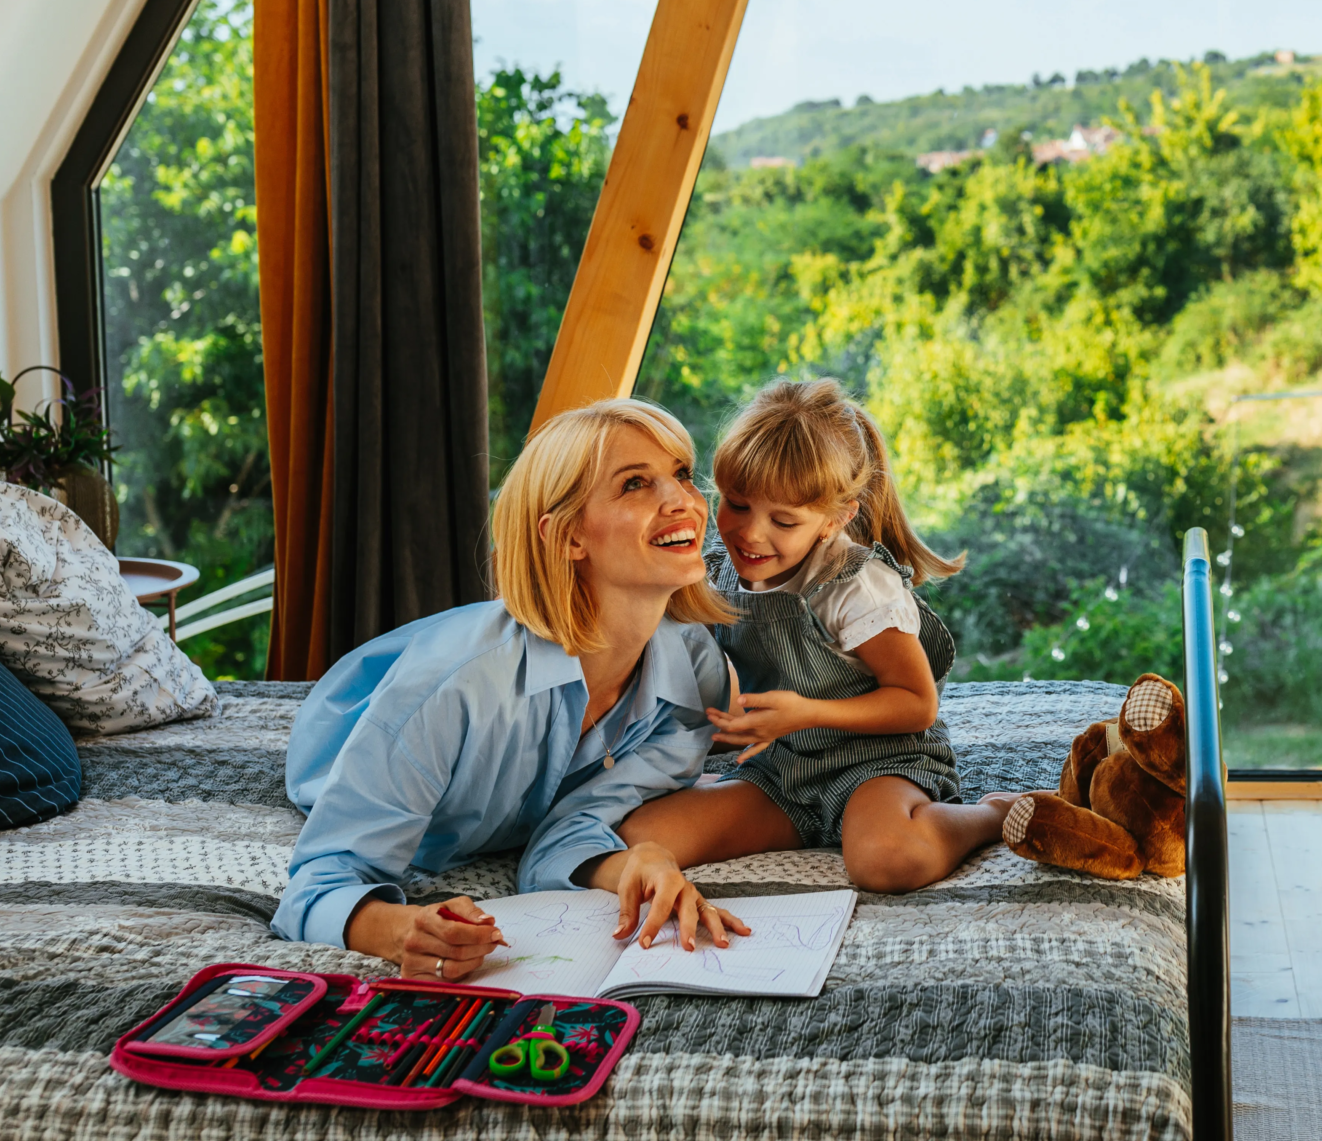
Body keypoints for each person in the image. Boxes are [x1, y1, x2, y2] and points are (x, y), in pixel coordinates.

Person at [274, 398, 751, 980]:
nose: (683, 501)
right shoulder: (453, 689)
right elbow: (318, 883)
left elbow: (563, 837)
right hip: (352, 732)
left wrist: (633, 864)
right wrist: (401, 930)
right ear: (569, 536)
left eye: (680, 473)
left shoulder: (693, 671)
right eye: (634, 484)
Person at [615, 378, 1015, 892]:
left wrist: (806, 714)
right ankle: (819, 825)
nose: (750, 534)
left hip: (878, 760)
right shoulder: (714, 569)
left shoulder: (857, 585)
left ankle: (991, 815)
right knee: (637, 837)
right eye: (736, 504)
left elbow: (917, 704)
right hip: (781, 769)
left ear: (834, 520)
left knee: (887, 861)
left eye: (783, 521)